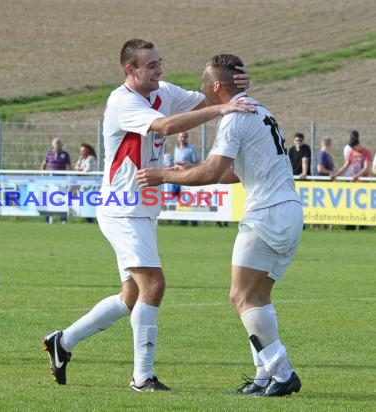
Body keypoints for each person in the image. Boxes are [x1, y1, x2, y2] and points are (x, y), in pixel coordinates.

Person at [42, 39, 254, 392]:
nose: (160, 70)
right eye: (152, 65)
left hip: (143, 209)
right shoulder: (122, 101)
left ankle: (62, 342)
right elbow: (167, 126)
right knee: (154, 285)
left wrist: (230, 87)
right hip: (122, 209)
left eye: (160, 62)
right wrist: (221, 110)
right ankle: (142, 377)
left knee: (131, 297)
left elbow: (206, 100)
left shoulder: (163, 90)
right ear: (131, 70)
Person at [137, 53, 303, 397]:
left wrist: (165, 175)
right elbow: (232, 172)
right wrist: (186, 173)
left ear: (216, 86)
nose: (200, 88)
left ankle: (282, 372)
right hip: (288, 210)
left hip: (266, 213)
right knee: (257, 297)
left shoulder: (233, 118)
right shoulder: (260, 110)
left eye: (203, 83)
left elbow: (213, 171)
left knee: (240, 296)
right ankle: (263, 378)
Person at [331, 132, 372, 230]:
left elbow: (366, 168)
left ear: (357, 145)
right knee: (351, 205)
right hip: (353, 184)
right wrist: (335, 174)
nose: (353, 150)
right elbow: (346, 165)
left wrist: (357, 176)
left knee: (363, 206)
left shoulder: (366, 152)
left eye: (353, 147)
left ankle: (363, 226)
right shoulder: (352, 152)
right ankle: (350, 225)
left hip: (363, 183)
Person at [41, 137, 71, 223]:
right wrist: (42, 175)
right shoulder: (49, 153)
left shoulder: (65, 154)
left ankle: (63, 218)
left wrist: (69, 177)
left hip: (62, 179)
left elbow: (69, 166)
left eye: (59, 143)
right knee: (49, 198)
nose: (57, 145)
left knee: (62, 198)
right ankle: (48, 218)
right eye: (56, 143)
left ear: (61, 145)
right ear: (52, 144)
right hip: (51, 179)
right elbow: (44, 164)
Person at [172, 131, 200, 226]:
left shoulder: (191, 149)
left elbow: (196, 163)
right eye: (181, 137)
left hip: (189, 177)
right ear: (178, 138)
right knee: (181, 199)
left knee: (191, 199)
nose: (182, 139)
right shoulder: (176, 148)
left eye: (184, 137)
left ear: (187, 138)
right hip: (178, 178)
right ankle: (182, 220)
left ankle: (193, 221)